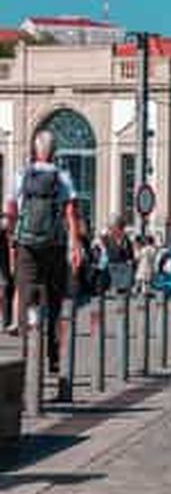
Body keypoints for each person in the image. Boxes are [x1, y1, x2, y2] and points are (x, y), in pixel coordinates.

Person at [6, 128, 81, 374]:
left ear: (34, 150)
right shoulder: (63, 177)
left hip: (27, 245)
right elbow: (71, 214)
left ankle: (28, 356)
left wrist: (12, 239)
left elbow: (11, 210)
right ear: (54, 152)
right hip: (55, 245)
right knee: (55, 301)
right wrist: (75, 245)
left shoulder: (21, 175)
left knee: (26, 297)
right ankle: (53, 357)